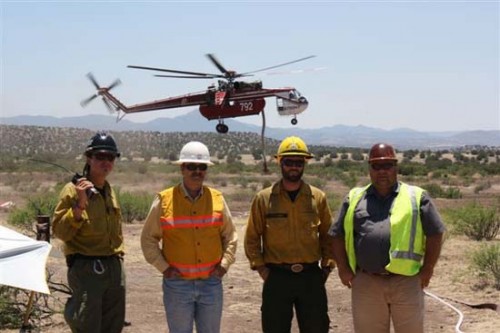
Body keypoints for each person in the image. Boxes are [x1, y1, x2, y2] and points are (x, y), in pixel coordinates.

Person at [329, 143, 446, 333]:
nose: (382, 171)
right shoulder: (354, 198)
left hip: (407, 282)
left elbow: (435, 233)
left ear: (396, 167)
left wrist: (428, 269)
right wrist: (343, 268)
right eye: (376, 166)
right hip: (367, 282)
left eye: (387, 166)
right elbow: (336, 235)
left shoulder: (416, 197)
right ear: (369, 169)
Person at [141, 141, 237, 333]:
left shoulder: (217, 199)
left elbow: (230, 237)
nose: (197, 171)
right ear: (182, 168)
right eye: (191, 166)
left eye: (201, 167)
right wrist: (165, 268)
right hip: (177, 286)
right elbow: (148, 239)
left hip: (210, 284)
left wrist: (224, 266)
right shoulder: (164, 200)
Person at [244, 136, 335, 333]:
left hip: (311, 277)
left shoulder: (317, 198)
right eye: (288, 162)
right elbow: (252, 238)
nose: (294, 166)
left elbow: (329, 236)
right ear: (280, 163)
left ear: (304, 164)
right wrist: (261, 269)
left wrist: (326, 268)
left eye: (298, 162)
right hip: (277, 277)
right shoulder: (264, 199)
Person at [52, 132, 125, 333]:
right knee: (86, 325)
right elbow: (60, 231)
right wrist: (79, 205)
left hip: (114, 267)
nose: (106, 162)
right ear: (89, 158)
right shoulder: (72, 190)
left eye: (110, 157)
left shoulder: (109, 190)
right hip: (87, 268)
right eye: (100, 156)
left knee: (113, 325)